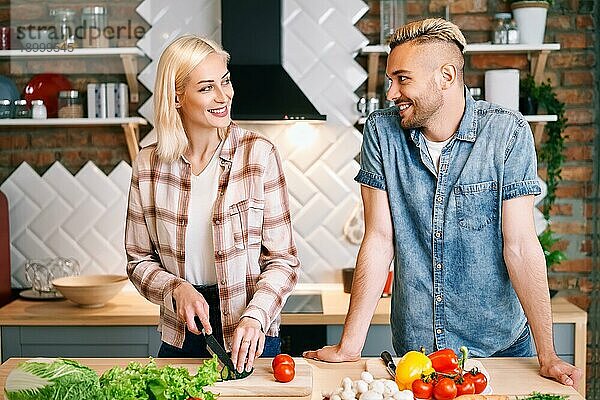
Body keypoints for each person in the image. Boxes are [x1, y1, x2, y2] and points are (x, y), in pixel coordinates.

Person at [303, 18, 582, 388]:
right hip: (414, 355)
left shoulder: (507, 133)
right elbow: (378, 239)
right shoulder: (381, 132)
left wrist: (547, 354)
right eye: (389, 80)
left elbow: (520, 246)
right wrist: (349, 345)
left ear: (446, 76)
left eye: (402, 79)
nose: (391, 93)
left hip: (499, 350)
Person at [125, 34, 300, 373]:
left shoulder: (259, 155)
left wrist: (257, 314)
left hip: (251, 335)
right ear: (177, 97)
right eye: (206, 88)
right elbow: (138, 261)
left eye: (226, 81)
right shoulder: (148, 164)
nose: (224, 96)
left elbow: (284, 261)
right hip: (182, 335)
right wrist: (174, 287)